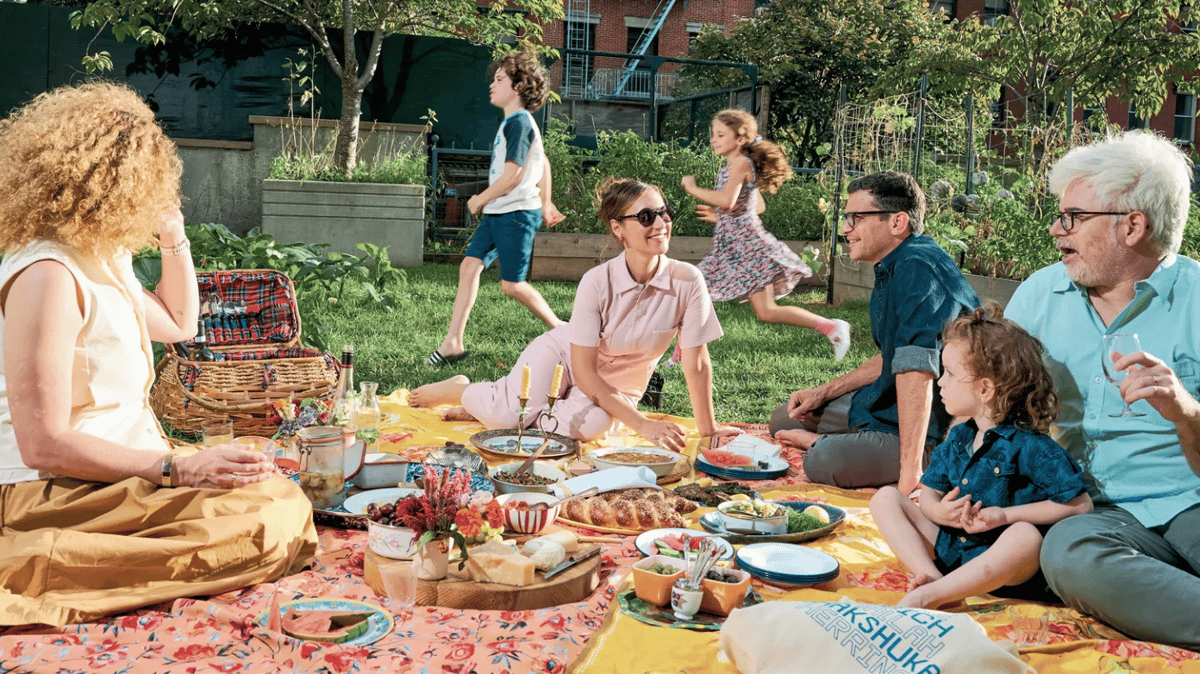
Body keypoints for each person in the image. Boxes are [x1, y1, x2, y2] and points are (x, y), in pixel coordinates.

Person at [0, 82, 317, 627]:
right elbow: (42, 443)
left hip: (123, 476)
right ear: (113, 183)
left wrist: (175, 236)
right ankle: (36, 566)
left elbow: (180, 324)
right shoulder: (48, 274)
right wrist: (178, 468)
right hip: (51, 492)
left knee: (277, 497)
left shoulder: (103, 255)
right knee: (267, 519)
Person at [1005, 131, 1200, 651]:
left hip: (1192, 500)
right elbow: (997, 413)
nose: (1055, 229)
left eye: (1072, 217)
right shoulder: (1037, 296)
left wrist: (1185, 412)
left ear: (1132, 225)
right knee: (1067, 553)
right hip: (1094, 516)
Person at [411, 178, 740, 451]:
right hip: (567, 356)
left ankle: (517, 411)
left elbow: (695, 362)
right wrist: (642, 424)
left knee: (589, 425)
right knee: (508, 416)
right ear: (618, 228)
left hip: (618, 385)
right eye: (645, 217)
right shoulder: (596, 283)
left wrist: (709, 430)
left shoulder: (687, 280)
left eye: (664, 214)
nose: (659, 224)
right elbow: (584, 373)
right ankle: (463, 389)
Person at [769, 171, 980, 494]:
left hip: (939, 426)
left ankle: (920, 457)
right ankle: (847, 441)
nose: (846, 229)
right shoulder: (897, 262)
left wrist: (910, 471)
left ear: (897, 223)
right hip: (890, 402)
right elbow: (892, 356)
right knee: (784, 418)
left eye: (856, 218)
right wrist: (823, 393)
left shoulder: (917, 268)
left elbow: (916, 368)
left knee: (823, 460)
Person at [870, 303, 1092, 609]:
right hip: (951, 550)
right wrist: (937, 512)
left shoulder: (1032, 447)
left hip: (1000, 568)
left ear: (985, 389)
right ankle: (930, 576)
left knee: (1026, 537)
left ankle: (931, 595)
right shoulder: (959, 437)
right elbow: (930, 491)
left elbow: (1080, 505)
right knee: (885, 499)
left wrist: (1005, 516)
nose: (940, 381)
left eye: (949, 373)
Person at [426, 46, 566, 367]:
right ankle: (453, 343)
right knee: (469, 266)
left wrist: (480, 198)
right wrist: (546, 201)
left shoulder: (519, 123)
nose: (492, 84)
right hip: (499, 212)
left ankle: (561, 328)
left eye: (499, 79)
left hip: (516, 215)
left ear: (517, 87)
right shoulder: (516, 124)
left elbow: (514, 176)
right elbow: (542, 161)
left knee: (512, 285)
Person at [682, 109, 851, 361]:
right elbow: (757, 206)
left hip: (747, 249)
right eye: (712, 134)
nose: (713, 139)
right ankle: (832, 327)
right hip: (739, 248)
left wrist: (694, 188)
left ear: (739, 140)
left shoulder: (739, 163)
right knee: (766, 311)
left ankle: (680, 355)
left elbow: (727, 200)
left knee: (691, 292)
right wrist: (723, 218)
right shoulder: (734, 166)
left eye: (720, 134)